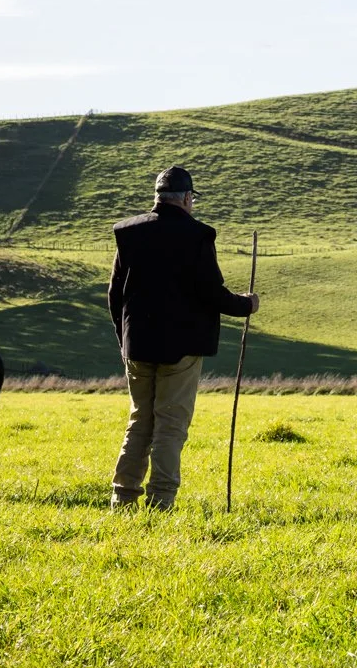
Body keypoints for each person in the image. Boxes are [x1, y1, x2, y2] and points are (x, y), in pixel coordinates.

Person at [108, 165, 260, 510]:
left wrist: (123, 339)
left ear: (157, 197)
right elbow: (212, 293)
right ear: (188, 198)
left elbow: (115, 294)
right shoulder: (198, 235)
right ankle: (161, 501)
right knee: (170, 424)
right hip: (181, 347)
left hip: (137, 346)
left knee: (139, 421)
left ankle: (123, 497)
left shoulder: (128, 233)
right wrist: (246, 305)